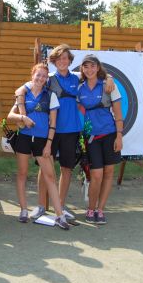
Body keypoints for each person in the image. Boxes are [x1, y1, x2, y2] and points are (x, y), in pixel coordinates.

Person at [14, 44, 114, 223]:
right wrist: (20, 93)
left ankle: (60, 205)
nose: (62, 61)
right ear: (54, 61)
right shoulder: (48, 78)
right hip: (49, 132)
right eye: (59, 58)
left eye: (66, 58)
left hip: (72, 130)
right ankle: (41, 205)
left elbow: (95, 76)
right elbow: (26, 87)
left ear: (70, 61)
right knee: (46, 169)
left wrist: (109, 77)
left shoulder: (77, 78)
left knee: (66, 168)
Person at [7, 63, 70, 230]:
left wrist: (49, 144)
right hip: (24, 138)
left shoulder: (51, 96)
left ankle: (59, 215)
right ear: (32, 74)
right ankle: (23, 210)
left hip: (42, 141)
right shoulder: (23, 93)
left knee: (50, 176)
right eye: (38, 75)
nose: (40, 78)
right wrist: (23, 118)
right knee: (22, 173)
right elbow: (10, 116)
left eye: (44, 76)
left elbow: (53, 123)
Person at [77, 54, 123, 225]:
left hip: (110, 134)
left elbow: (118, 115)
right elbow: (61, 75)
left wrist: (119, 136)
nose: (89, 70)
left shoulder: (109, 86)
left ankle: (100, 209)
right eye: (85, 66)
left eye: (93, 66)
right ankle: (90, 208)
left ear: (98, 68)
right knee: (96, 174)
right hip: (92, 138)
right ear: (82, 69)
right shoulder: (79, 88)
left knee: (108, 173)